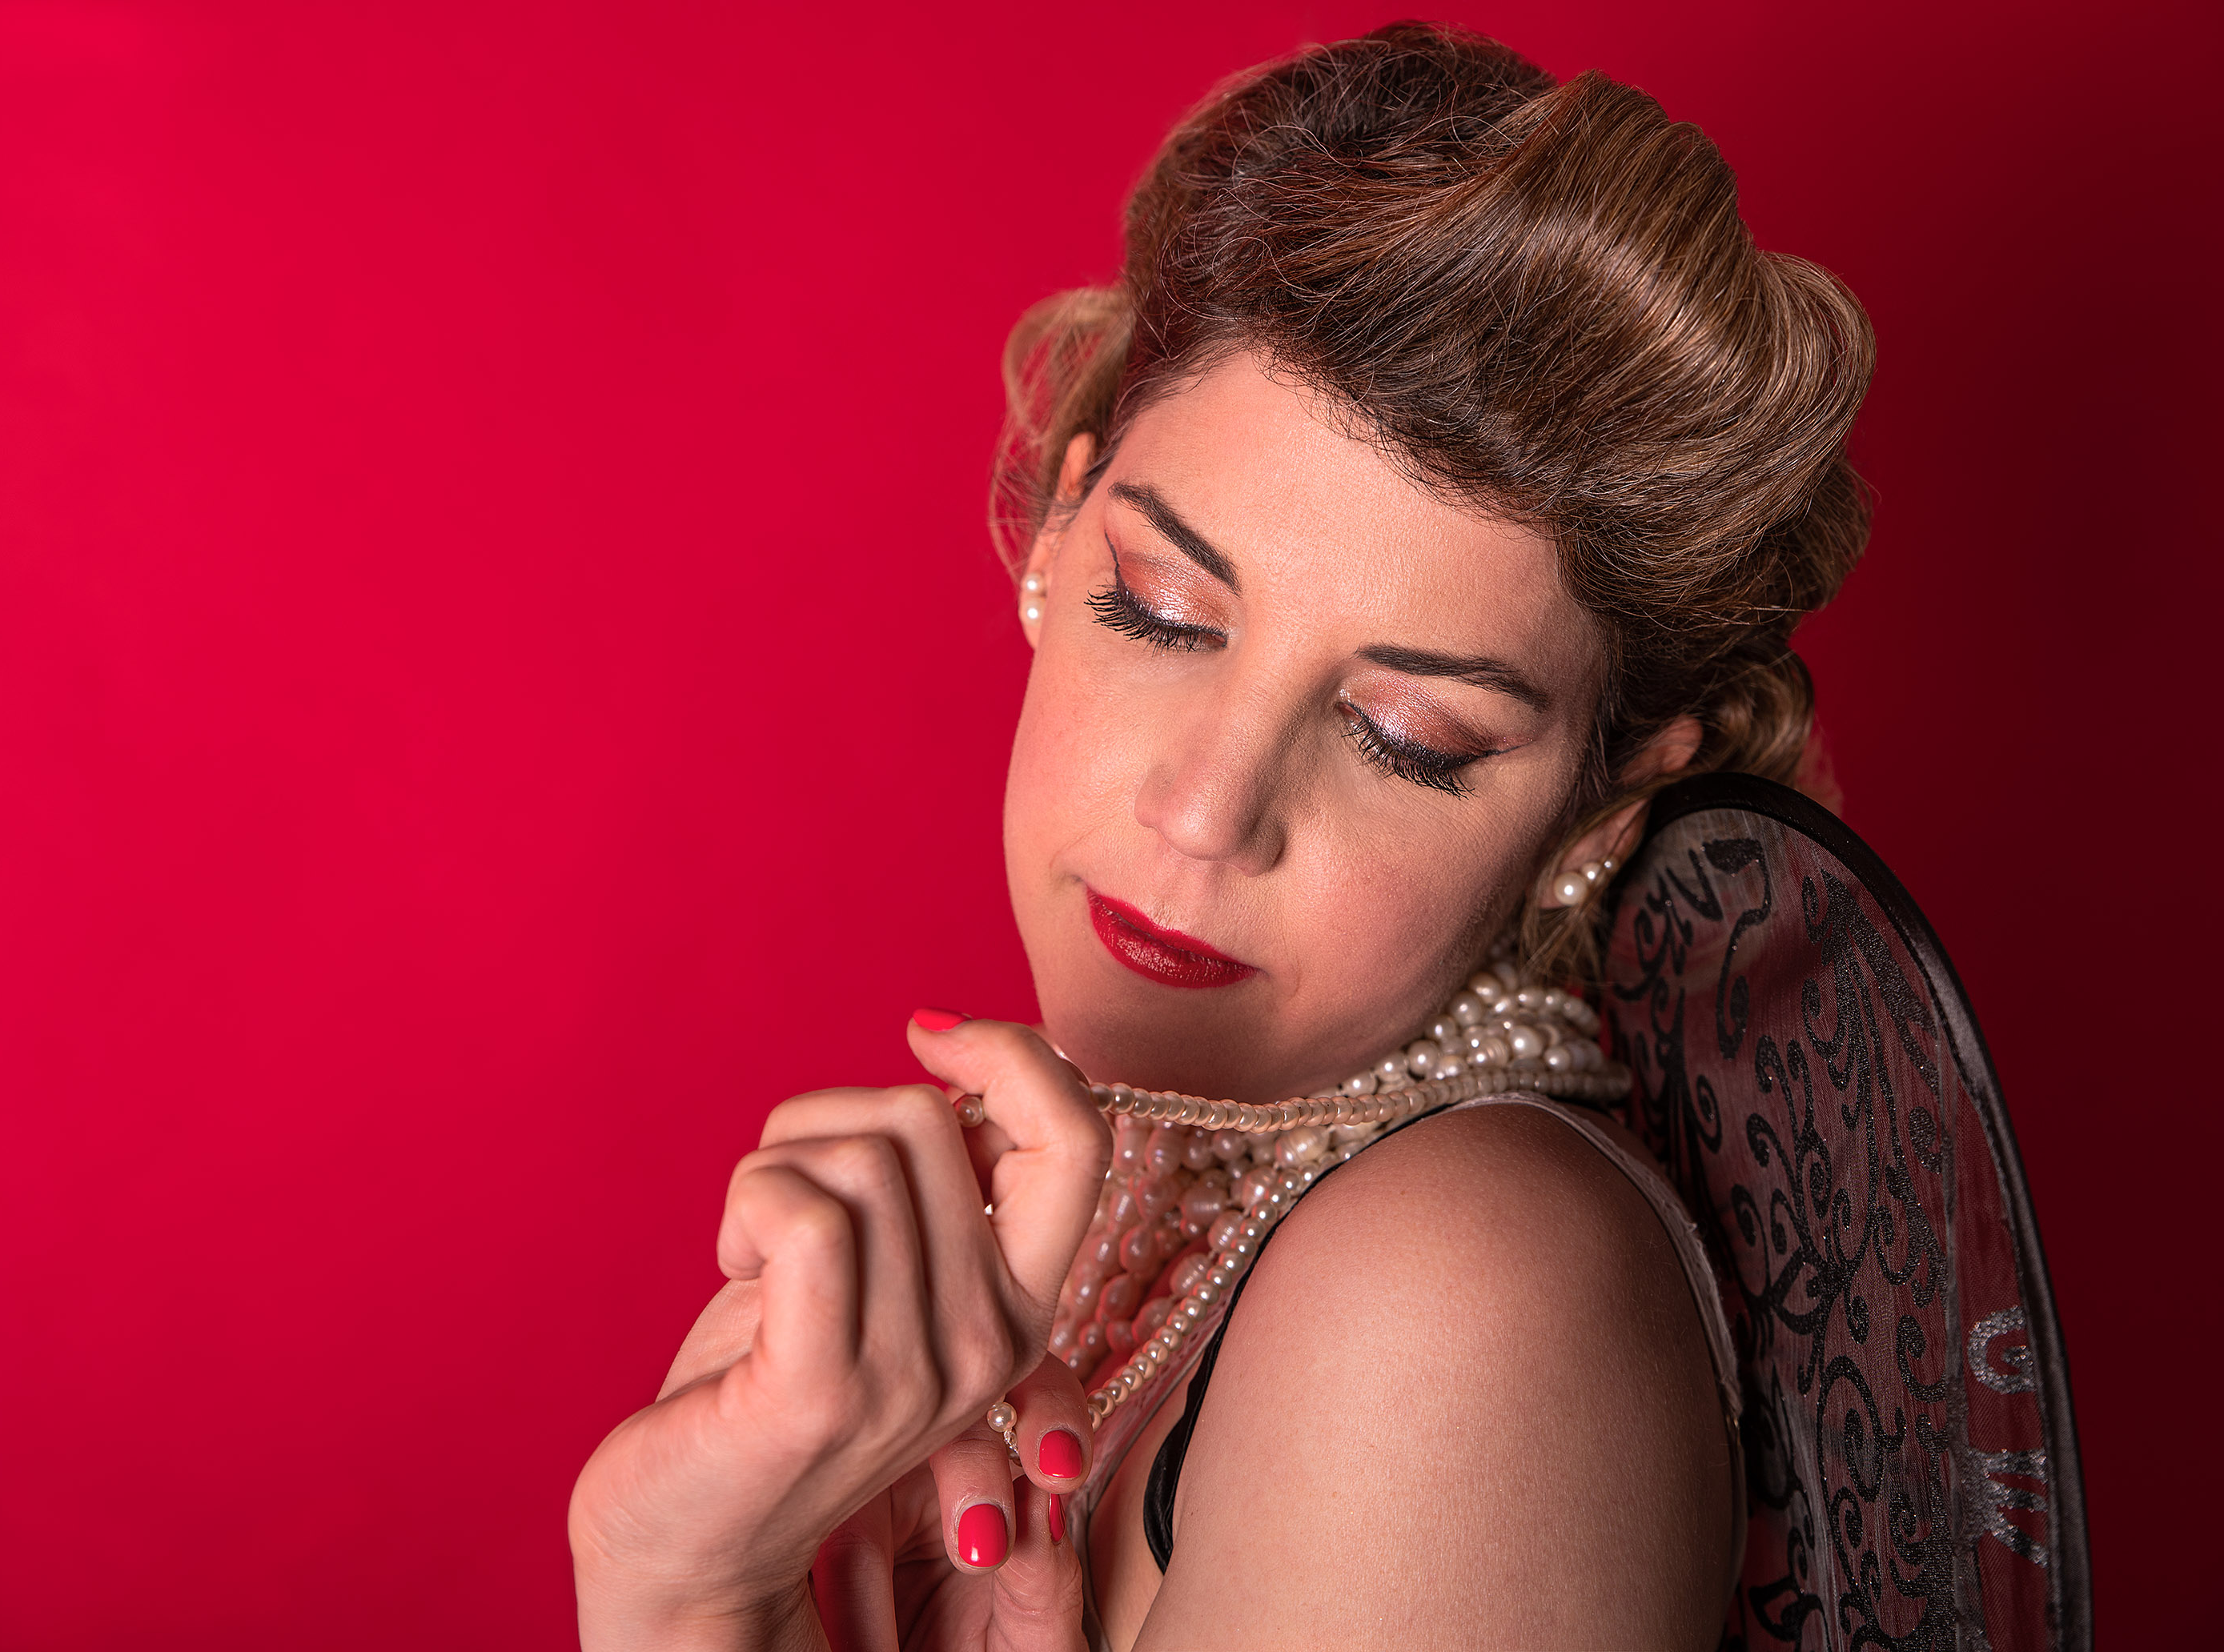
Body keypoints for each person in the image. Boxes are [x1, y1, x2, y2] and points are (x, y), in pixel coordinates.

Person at [568, 22, 1872, 1650]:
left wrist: (676, 1595)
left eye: (1406, 738)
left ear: (1599, 808)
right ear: (1058, 528)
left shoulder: (1459, 1292)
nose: (1201, 814)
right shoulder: (1125, 1225)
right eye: (1162, 611)